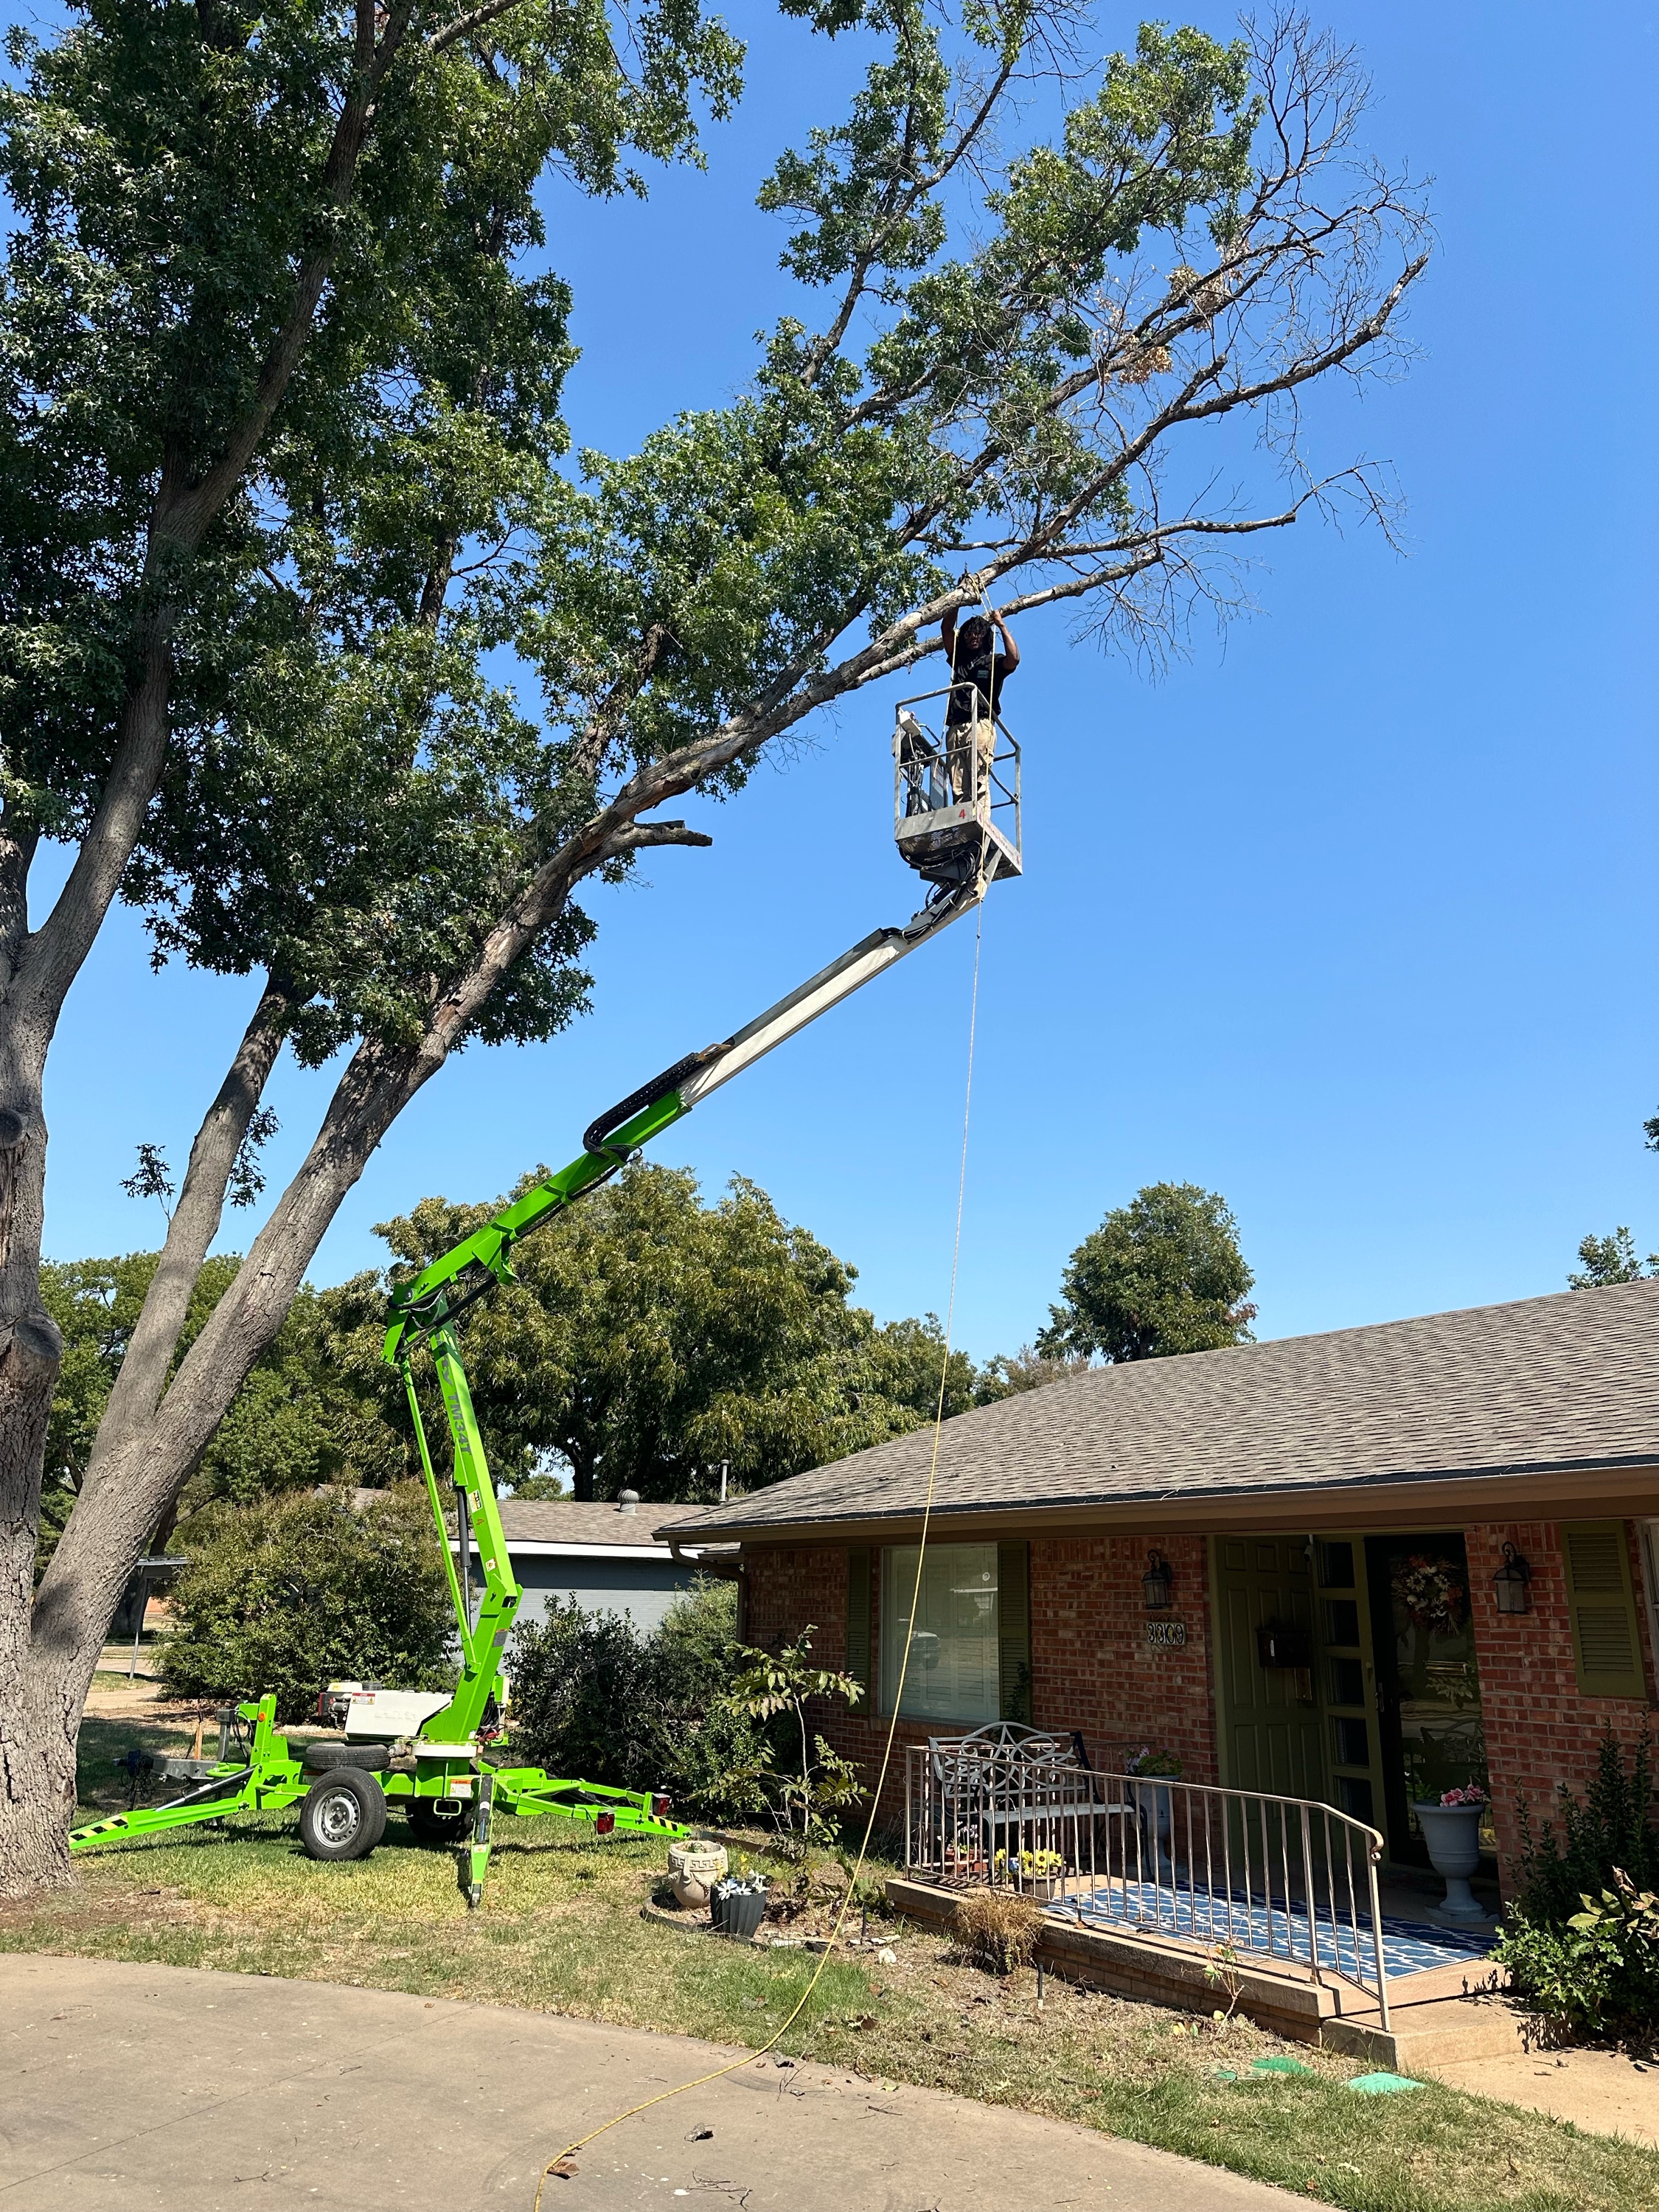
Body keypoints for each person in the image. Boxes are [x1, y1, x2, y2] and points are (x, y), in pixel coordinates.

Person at [941, 605, 1019, 801]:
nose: (974, 636)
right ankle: (964, 826)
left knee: (978, 779)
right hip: (956, 726)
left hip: (980, 724)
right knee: (958, 786)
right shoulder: (958, 660)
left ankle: (980, 823)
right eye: (970, 634)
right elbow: (946, 629)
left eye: (979, 633)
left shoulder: (993, 662)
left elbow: (1014, 659)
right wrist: (957, 600)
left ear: (986, 637)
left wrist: (1001, 625)